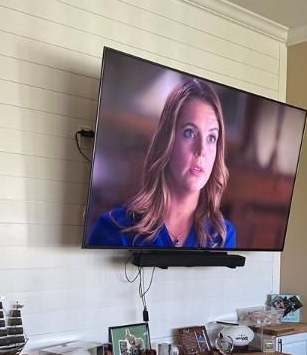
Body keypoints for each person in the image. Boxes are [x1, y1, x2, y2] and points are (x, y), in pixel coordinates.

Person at [88, 78, 236, 248]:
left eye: (211, 137)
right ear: (167, 141)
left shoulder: (222, 237)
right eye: (190, 133)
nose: (202, 150)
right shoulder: (113, 230)